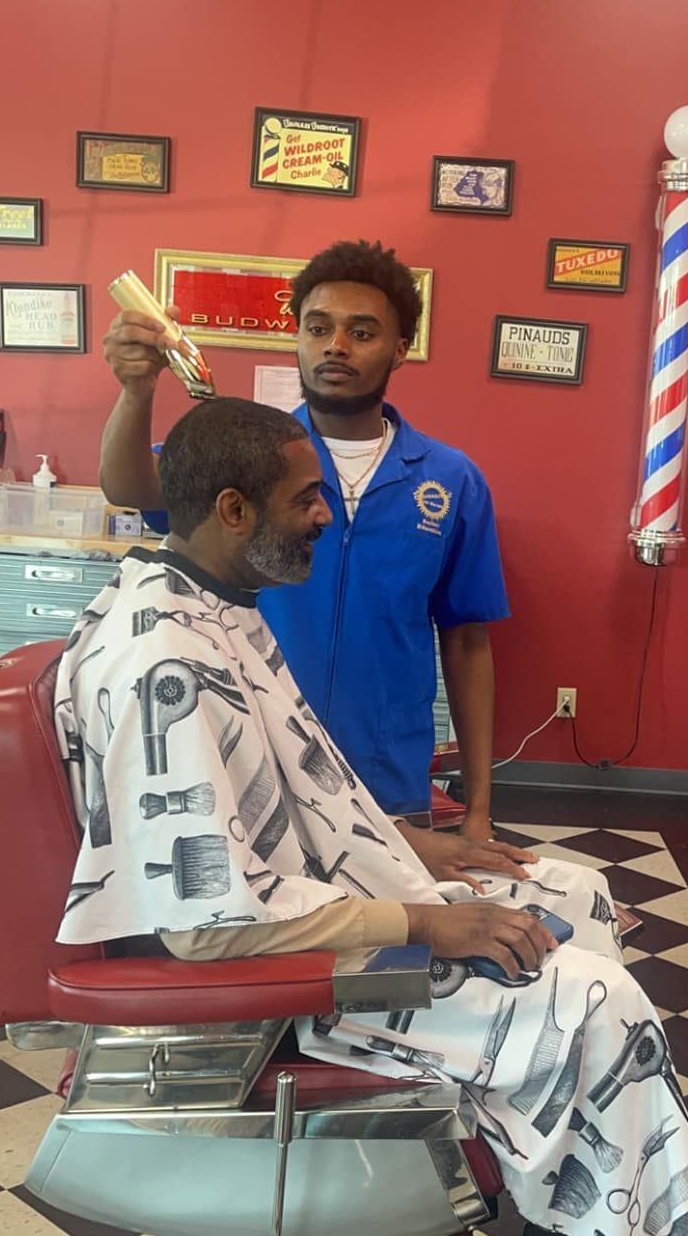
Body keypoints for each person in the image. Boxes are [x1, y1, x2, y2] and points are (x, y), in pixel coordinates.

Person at [55, 398, 688, 1236]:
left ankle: (585, 1234)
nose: (327, 513)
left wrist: (427, 850)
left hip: (308, 904)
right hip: (261, 982)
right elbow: (206, 919)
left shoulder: (213, 602)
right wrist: (426, 918)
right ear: (233, 507)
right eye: (307, 497)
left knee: (574, 893)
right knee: (590, 997)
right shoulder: (167, 664)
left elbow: (307, 796)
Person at [99, 239, 507, 841]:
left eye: (362, 333)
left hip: (385, 774)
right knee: (275, 929)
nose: (335, 346)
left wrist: (477, 809)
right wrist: (137, 393)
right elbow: (129, 485)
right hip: (250, 759)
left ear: (400, 349)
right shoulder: (247, 454)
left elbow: (468, 644)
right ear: (296, 336)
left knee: (393, 929)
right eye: (318, 327)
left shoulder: (449, 481)